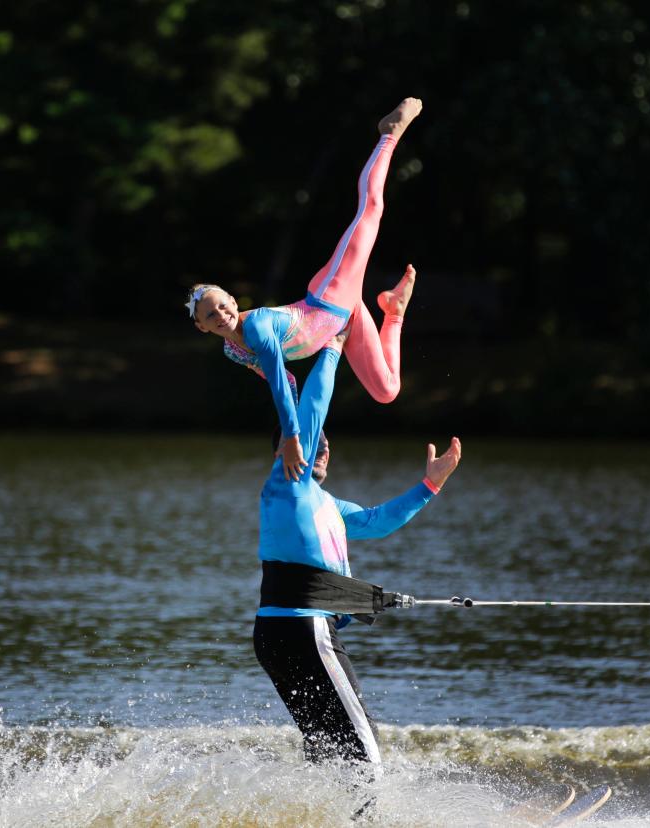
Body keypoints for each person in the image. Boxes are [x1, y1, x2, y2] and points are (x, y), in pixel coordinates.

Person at [253, 326, 462, 766]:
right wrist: (332, 347)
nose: (323, 451)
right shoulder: (286, 485)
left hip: (284, 634)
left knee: (328, 750)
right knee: (364, 746)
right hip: (301, 628)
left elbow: (378, 521)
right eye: (316, 446)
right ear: (284, 454)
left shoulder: (328, 506)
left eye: (328, 448)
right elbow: (311, 409)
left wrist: (431, 485)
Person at [187, 97, 424, 483]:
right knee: (386, 391)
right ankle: (394, 311)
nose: (221, 315)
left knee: (371, 209)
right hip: (342, 321)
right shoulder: (233, 350)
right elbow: (290, 384)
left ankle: (388, 135)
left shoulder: (259, 327)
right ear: (202, 327)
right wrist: (310, 432)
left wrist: (293, 436)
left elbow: (281, 380)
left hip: (330, 296)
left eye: (222, 306)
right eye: (210, 315)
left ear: (234, 301)